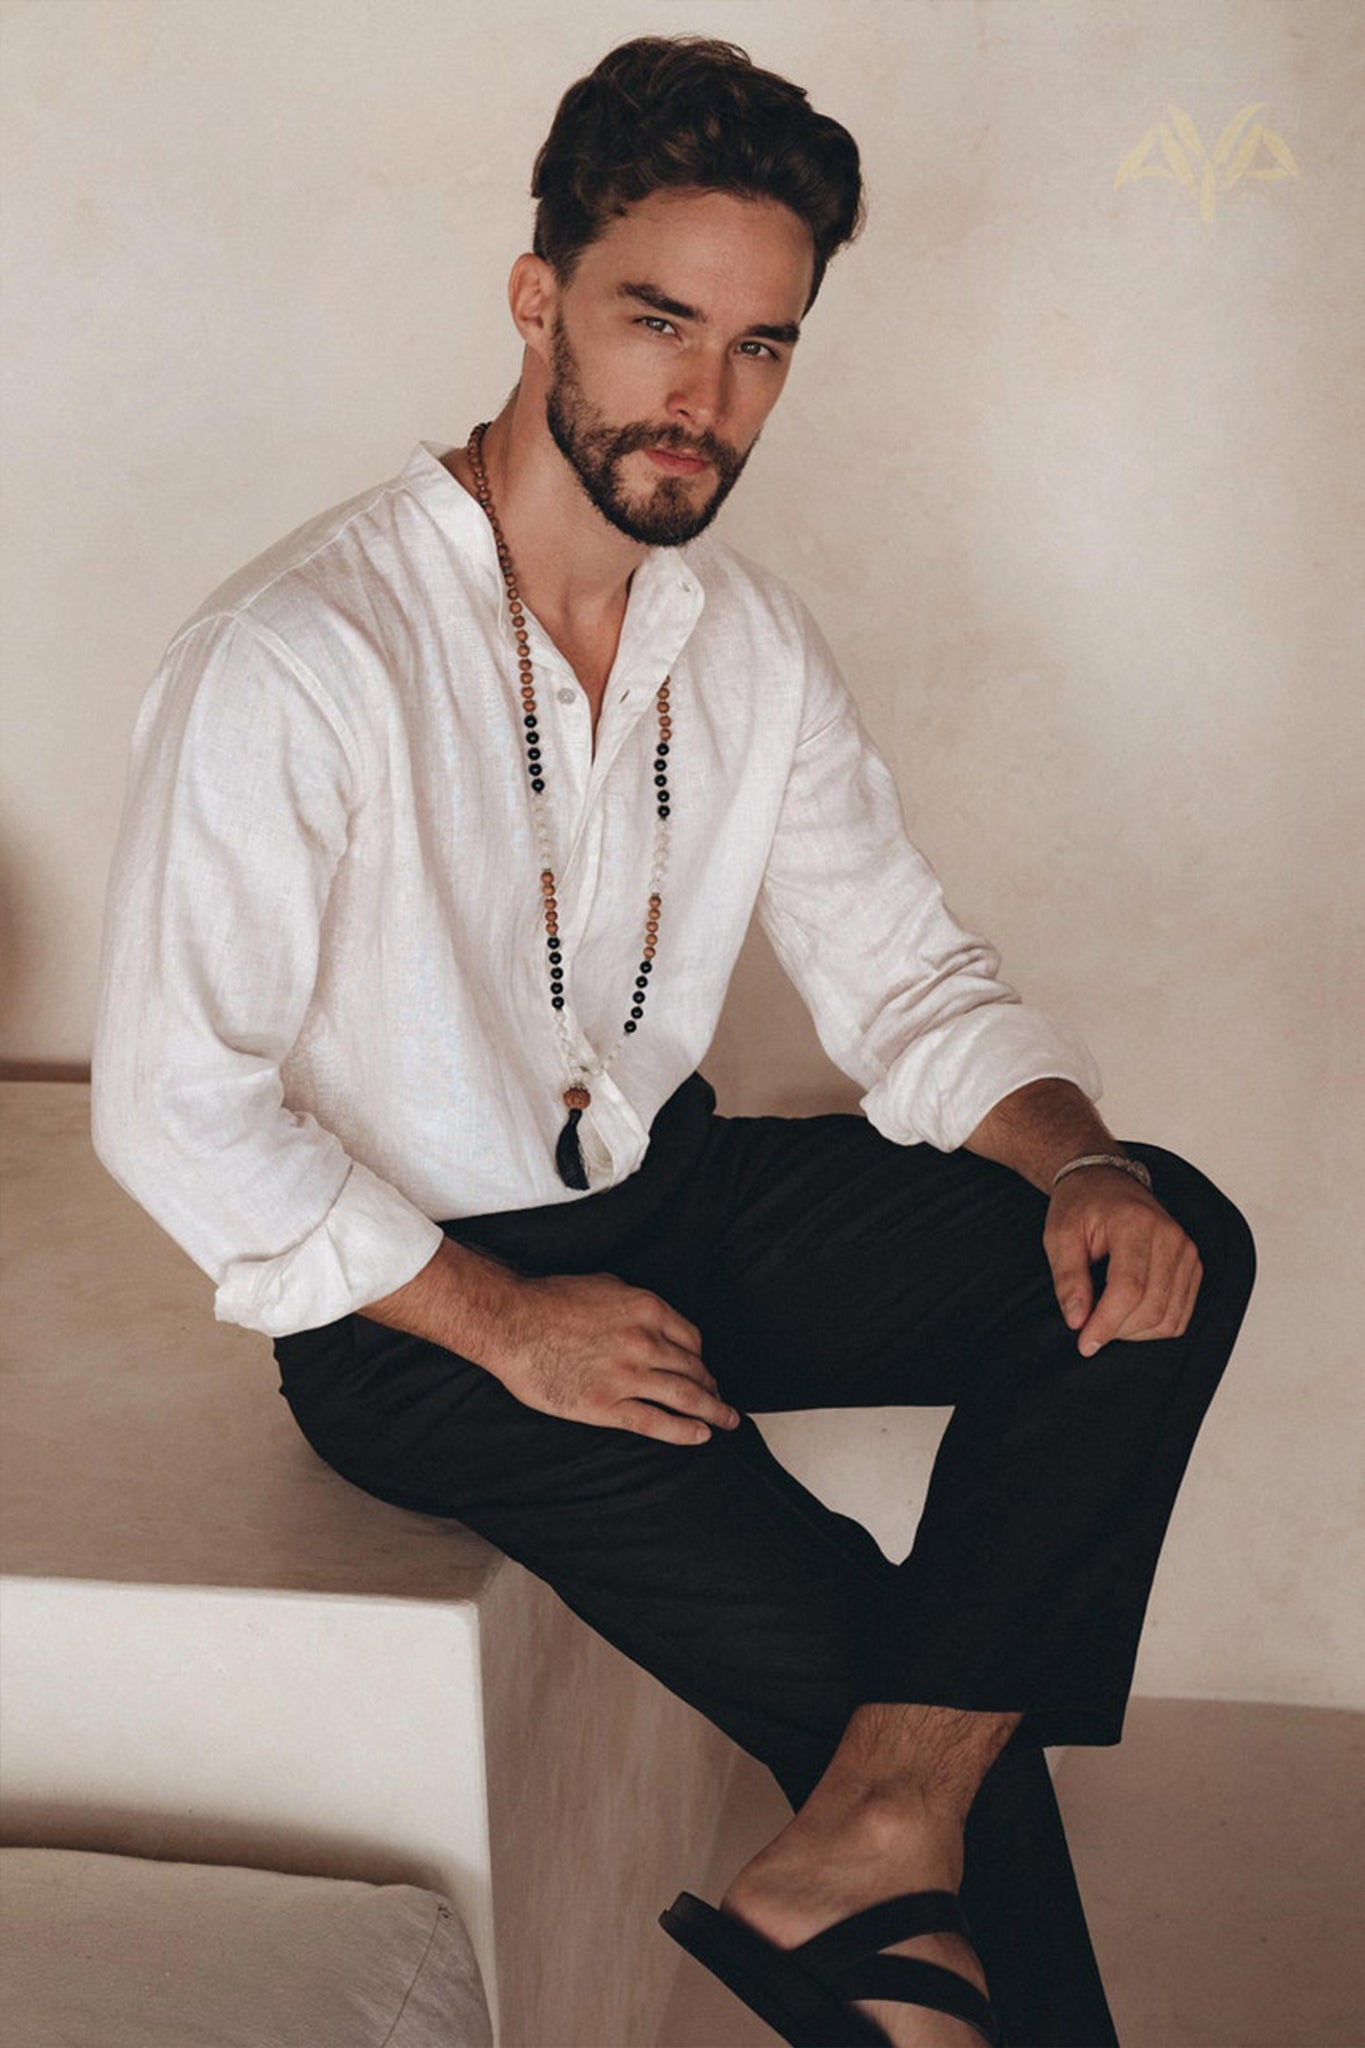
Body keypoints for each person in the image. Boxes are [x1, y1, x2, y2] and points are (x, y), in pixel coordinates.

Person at [92, 35, 1255, 2048]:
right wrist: (496, 1319)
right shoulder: (298, 656)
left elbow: (900, 973)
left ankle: (866, 1832)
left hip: (678, 1191)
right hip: (418, 1313)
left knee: (1157, 1247)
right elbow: (177, 1109)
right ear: (535, 293)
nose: (703, 400)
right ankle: (899, 1838)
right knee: (894, 1687)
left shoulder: (746, 648)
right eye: (655, 321)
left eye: (759, 346)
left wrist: (1072, 1155)